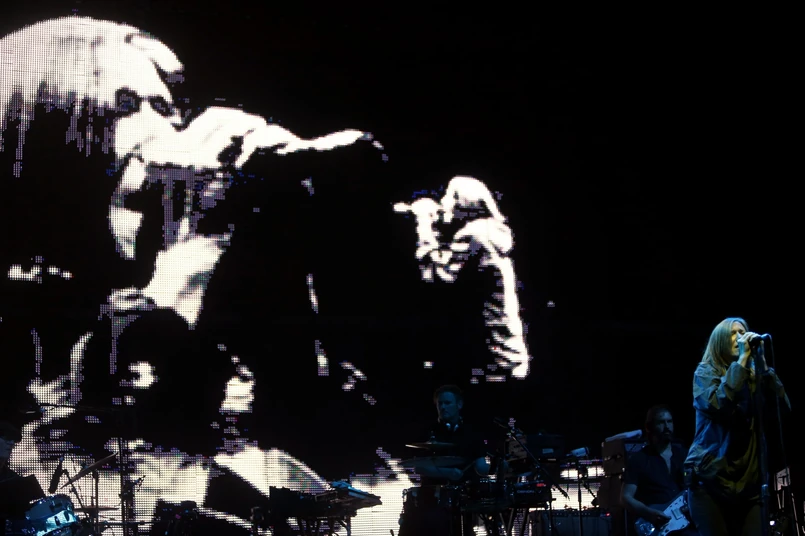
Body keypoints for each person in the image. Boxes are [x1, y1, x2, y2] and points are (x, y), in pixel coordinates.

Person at [684, 317, 790, 536]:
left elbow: (783, 413)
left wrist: (764, 368)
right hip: (711, 484)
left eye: (742, 332)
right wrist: (741, 361)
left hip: (749, 485)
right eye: (733, 334)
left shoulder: (756, 376)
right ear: (720, 341)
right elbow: (718, 405)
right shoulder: (705, 373)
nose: (740, 337)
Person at [398, 384, 491, 536]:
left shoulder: (471, 433)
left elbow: (481, 466)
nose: (442, 407)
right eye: (440, 403)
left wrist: (501, 468)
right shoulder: (428, 432)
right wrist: (448, 473)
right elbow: (420, 467)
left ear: (459, 405)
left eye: (447, 403)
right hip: (431, 499)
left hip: (465, 497)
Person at [621, 405, 698, 535]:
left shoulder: (684, 455)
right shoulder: (639, 459)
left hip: (686, 522)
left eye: (670, 421)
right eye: (661, 422)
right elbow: (625, 497)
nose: (667, 427)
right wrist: (648, 513)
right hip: (658, 526)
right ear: (649, 427)